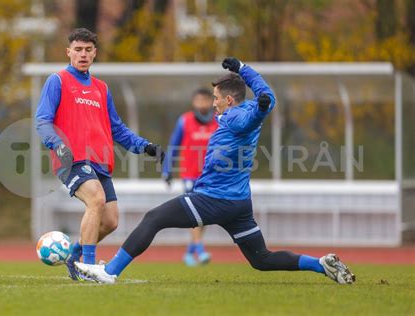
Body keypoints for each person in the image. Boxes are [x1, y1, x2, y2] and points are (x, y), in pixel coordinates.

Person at [75, 57, 356, 285]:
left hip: (214, 198)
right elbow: (266, 97)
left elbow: (253, 114)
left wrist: (259, 109)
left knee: (154, 218)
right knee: (261, 259)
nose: (213, 103)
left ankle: (109, 272)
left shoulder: (237, 117)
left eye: (216, 98)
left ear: (229, 101)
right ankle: (320, 265)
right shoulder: (244, 109)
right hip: (238, 203)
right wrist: (244, 70)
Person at [35, 28, 164, 281]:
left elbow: (117, 128)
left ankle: (74, 258)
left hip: (100, 162)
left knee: (111, 221)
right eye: (78, 49)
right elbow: (42, 121)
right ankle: (89, 266)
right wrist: (57, 144)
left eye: (88, 50)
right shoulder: (57, 80)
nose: (83, 54)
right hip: (71, 158)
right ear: (68, 52)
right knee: (96, 199)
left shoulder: (101, 88)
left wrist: (144, 146)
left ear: (95, 53)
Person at [162, 88, 218, 266]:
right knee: (195, 212)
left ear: (212, 101)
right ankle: (200, 250)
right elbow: (173, 145)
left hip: (211, 176)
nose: (202, 103)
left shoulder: (218, 120)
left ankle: (190, 252)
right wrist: (167, 169)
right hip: (190, 175)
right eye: (198, 100)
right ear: (193, 102)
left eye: (206, 100)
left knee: (205, 216)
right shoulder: (184, 121)